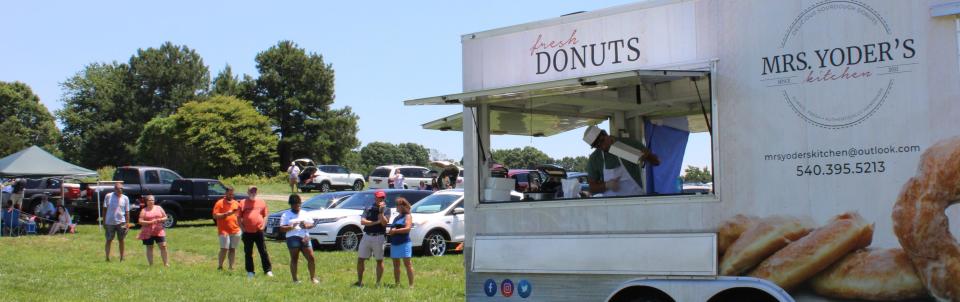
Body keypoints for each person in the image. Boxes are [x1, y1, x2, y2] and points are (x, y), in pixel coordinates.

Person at [582, 125, 660, 197]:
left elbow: (656, 162)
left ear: (605, 134)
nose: (603, 146)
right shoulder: (595, 158)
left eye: (602, 141)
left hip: (635, 200)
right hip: (612, 205)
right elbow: (592, 188)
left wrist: (647, 156)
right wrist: (606, 185)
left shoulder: (627, 145)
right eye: (597, 146)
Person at [279, 194, 318, 284]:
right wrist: (291, 226)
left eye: (299, 204)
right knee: (294, 258)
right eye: (296, 204)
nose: (298, 206)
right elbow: (281, 228)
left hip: (305, 237)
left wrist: (306, 225)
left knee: (311, 258)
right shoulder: (286, 214)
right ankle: (295, 280)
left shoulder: (304, 213)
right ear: (291, 204)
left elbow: (312, 224)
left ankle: (313, 278)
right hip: (292, 238)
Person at [355, 190, 391, 287]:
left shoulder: (387, 209)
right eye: (379, 197)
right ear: (375, 198)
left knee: (379, 260)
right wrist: (375, 222)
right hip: (367, 236)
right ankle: (359, 282)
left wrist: (381, 212)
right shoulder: (369, 208)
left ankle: (378, 283)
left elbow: (384, 223)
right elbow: (363, 221)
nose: (381, 199)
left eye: (382, 197)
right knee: (360, 259)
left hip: (379, 237)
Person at [238, 186, 273, 278]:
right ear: (248, 192)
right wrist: (242, 228)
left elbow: (265, 215)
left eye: (254, 191)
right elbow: (238, 217)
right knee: (248, 252)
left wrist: (263, 225)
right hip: (247, 232)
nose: (253, 193)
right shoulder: (242, 203)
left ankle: (268, 270)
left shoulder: (261, 202)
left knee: (263, 251)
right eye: (251, 191)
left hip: (259, 231)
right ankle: (250, 272)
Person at [212, 186, 241, 270]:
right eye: (229, 194)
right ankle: (220, 266)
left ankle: (231, 267)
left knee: (232, 249)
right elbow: (214, 216)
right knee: (224, 248)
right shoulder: (219, 203)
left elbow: (239, 215)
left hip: (235, 230)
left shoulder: (236, 203)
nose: (231, 196)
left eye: (232, 194)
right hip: (224, 230)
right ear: (226, 193)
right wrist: (226, 214)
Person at [388, 197, 415, 288]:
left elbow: (407, 229)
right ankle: (397, 283)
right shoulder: (396, 217)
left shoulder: (408, 216)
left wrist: (395, 231)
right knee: (396, 264)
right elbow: (393, 228)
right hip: (394, 243)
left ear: (402, 206)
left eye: (397, 205)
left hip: (404, 243)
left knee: (407, 264)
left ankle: (411, 285)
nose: (396, 206)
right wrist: (391, 231)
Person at [137, 195, 169, 266]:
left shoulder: (159, 208)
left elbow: (165, 217)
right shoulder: (144, 210)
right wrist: (150, 222)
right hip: (147, 232)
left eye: (153, 200)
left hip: (159, 230)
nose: (151, 201)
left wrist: (160, 219)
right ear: (146, 202)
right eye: (150, 200)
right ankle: (151, 264)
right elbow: (140, 221)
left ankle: (166, 264)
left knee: (163, 246)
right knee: (150, 247)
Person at [103, 182, 130, 262]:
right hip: (109, 222)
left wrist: (127, 224)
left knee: (121, 240)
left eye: (122, 188)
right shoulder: (108, 196)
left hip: (121, 222)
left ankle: (122, 257)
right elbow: (104, 209)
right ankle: (107, 257)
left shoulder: (125, 198)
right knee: (109, 240)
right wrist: (104, 221)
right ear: (114, 189)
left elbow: (127, 212)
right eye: (118, 189)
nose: (120, 190)